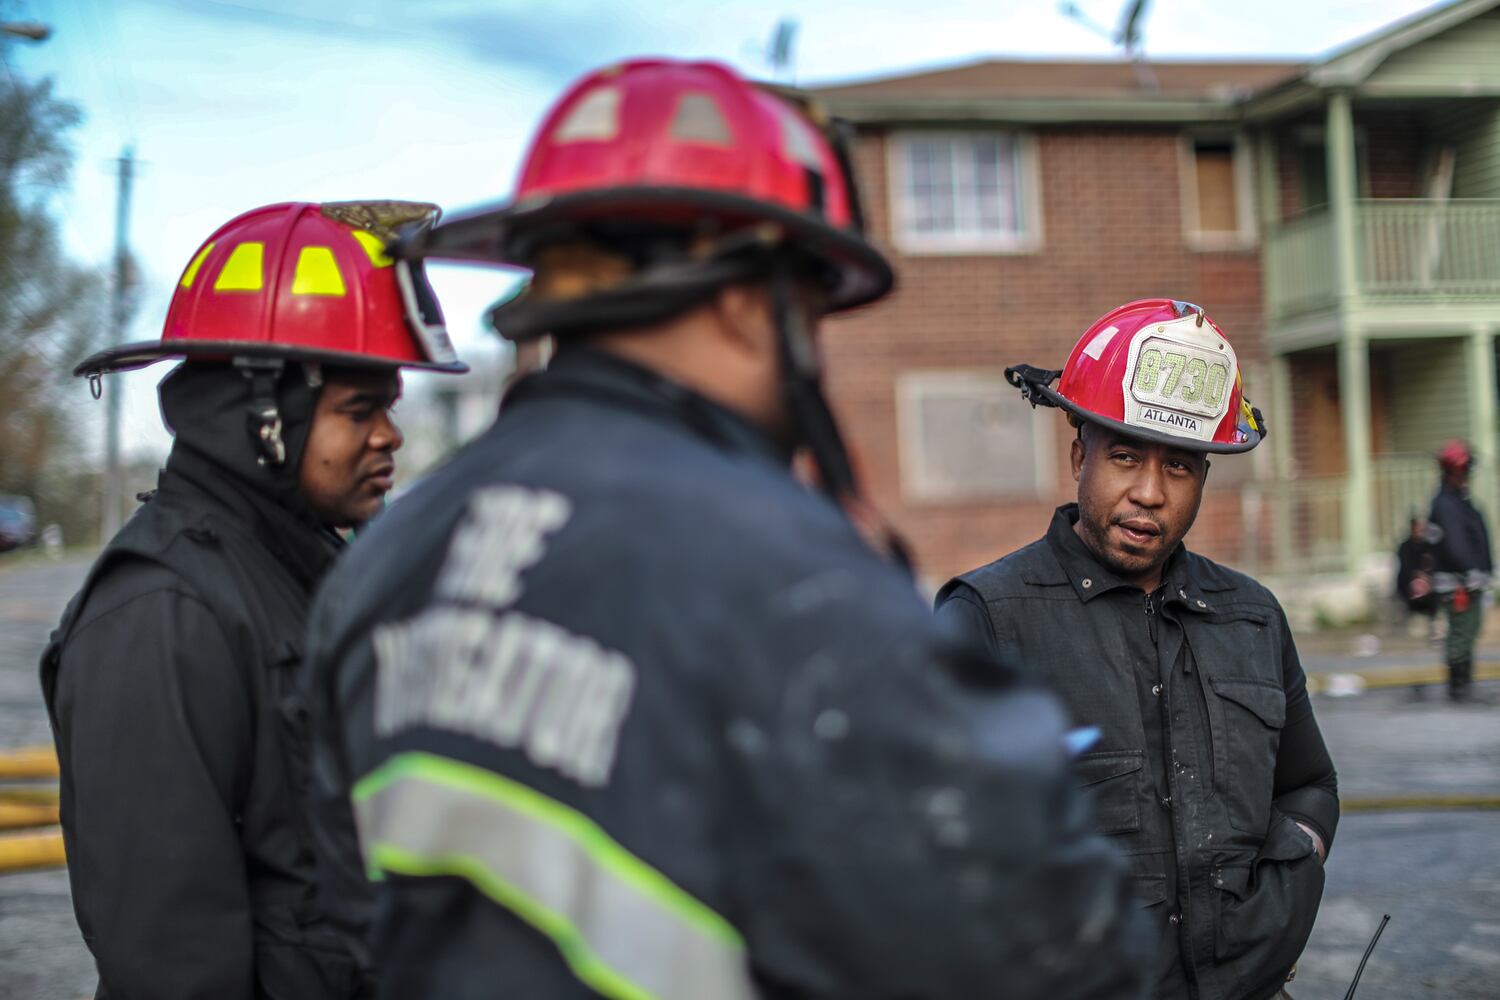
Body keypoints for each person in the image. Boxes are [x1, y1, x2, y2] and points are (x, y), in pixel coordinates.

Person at [304, 59, 1150, 999]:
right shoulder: (792, 579)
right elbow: (1059, 945)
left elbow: (347, 913)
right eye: (813, 315)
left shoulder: (385, 557)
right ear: (754, 305)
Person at [40, 201, 465, 999]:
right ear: (264, 419)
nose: (391, 435)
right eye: (359, 409)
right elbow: (171, 963)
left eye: (389, 406)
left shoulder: (305, 568)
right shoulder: (162, 614)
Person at [937, 299, 1339, 1000]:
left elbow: (1309, 784)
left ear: (1203, 479)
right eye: (1124, 456)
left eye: (1179, 467)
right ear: (1078, 457)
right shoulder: (989, 619)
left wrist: (1287, 888)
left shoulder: (1252, 617)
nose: (1149, 493)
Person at [1428, 440, 1492, 702]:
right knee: (1461, 632)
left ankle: (1463, 684)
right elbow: (1455, 544)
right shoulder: (1447, 503)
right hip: (1458, 583)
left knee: (1468, 630)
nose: (1467, 476)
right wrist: (1470, 571)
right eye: (1464, 471)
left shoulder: (1456, 500)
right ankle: (1458, 686)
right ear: (1454, 471)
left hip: (1464, 580)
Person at [1394, 515, 1438, 639]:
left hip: (1427, 584)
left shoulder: (1427, 546)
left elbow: (1432, 564)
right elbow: (1405, 567)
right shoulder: (1405, 547)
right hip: (1408, 584)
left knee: (1433, 594)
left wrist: (1426, 577)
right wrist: (1416, 576)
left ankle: (1432, 622)